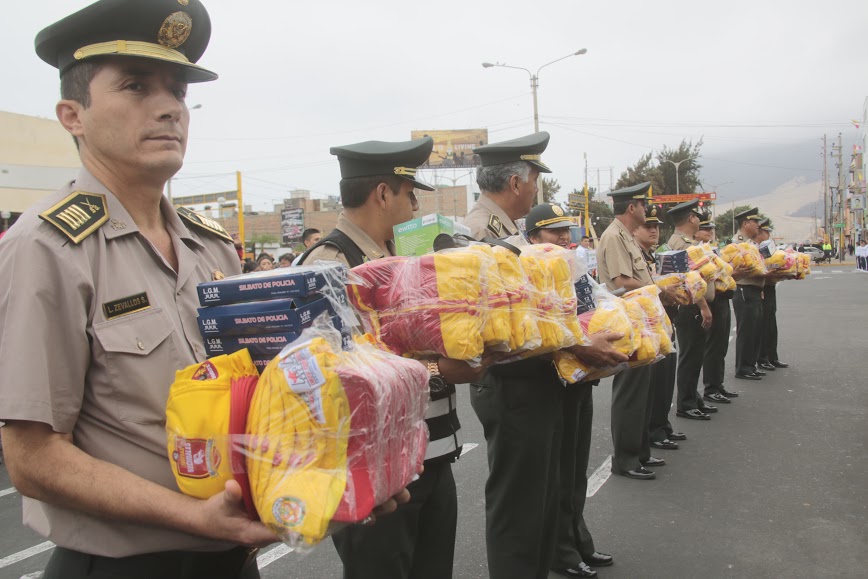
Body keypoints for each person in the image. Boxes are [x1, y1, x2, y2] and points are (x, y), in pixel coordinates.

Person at [0, 2, 278, 576]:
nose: (169, 108)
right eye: (135, 86)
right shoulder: (48, 246)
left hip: (233, 555)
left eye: (177, 90)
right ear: (72, 115)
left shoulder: (213, 247)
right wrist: (191, 516)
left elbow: (252, 402)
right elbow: (31, 457)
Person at [298, 136, 482, 579]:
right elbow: (339, 375)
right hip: (374, 469)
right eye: (409, 192)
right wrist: (439, 369)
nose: (416, 205)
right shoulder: (330, 264)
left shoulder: (397, 258)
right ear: (383, 193)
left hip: (427, 454)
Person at [462, 133, 626, 579]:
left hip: (536, 377)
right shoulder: (479, 233)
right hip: (513, 383)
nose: (536, 191)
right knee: (519, 503)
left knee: (540, 494)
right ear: (516, 182)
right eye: (534, 181)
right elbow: (503, 325)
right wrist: (577, 345)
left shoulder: (506, 232)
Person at [524, 204, 614, 579]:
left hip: (581, 375)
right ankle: (562, 550)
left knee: (576, 466)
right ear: (532, 240)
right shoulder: (532, 272)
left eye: (566, 231)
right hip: (553, 379)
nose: (564, 238)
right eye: (553, 233)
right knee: (560, 470)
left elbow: (597, 305)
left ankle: (579, 539)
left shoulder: (575, 269)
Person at [597, 182, 667, 480]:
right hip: (625, 322)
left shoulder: (625, 236)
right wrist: (660, 287)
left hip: (640, 320)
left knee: (644, 391)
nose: (646, 210)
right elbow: (622, 281)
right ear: (631, 208)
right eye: (642, 205)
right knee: (631, 392)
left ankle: (640, 452)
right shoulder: (614, 236)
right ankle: (625, 459)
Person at [666, 199, 723, 422]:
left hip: (694, 306)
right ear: (691, 218)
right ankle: (686, 404)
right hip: (690, 308)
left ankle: (693, 397)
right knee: (690, 356)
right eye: (697, 216)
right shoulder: (681, 245)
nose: (700, 220)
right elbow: (687, 281)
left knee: (697, 354)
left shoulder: (687, 242)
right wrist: (704, 307)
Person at [635, 206, 685, 451]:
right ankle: (654, 430)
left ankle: (662, 425)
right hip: (648, 324)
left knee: (665, 379)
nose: (654, 230)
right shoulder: (638, 254)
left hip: (664, 318)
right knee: (654, 382)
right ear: (635, 229)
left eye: (656, 226)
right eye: (648, 226)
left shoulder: (653, 255)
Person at [696, 213, 740, 402]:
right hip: (712, 301)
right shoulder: (697, 251)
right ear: (697, 232)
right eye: (705, 229)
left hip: (723, 298)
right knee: (713, 347)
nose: (710, 232)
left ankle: (718, 384)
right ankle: (711, 388)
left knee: (721, 345)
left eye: (711, 229)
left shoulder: (711, 250)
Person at [732, 207, 766, 380]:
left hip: (754, 289)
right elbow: (746, 268)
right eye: (755, 222)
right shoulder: (738, 243)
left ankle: (751, 365)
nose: (758, 225)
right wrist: (766, 272)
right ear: (745, 223)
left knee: (754, 330)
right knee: (746, 331)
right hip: (744, 289)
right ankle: (743, 368)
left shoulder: (750, 243)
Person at [755, 219, 789, 371]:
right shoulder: (754, 248)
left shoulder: (766, 247)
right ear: (759, 233)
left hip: (770, 286)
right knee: (763, 325)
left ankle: (772, 357)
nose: (768, 235)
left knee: (771, 324)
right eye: (766, 232)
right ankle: (762, 359)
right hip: (762, 288)